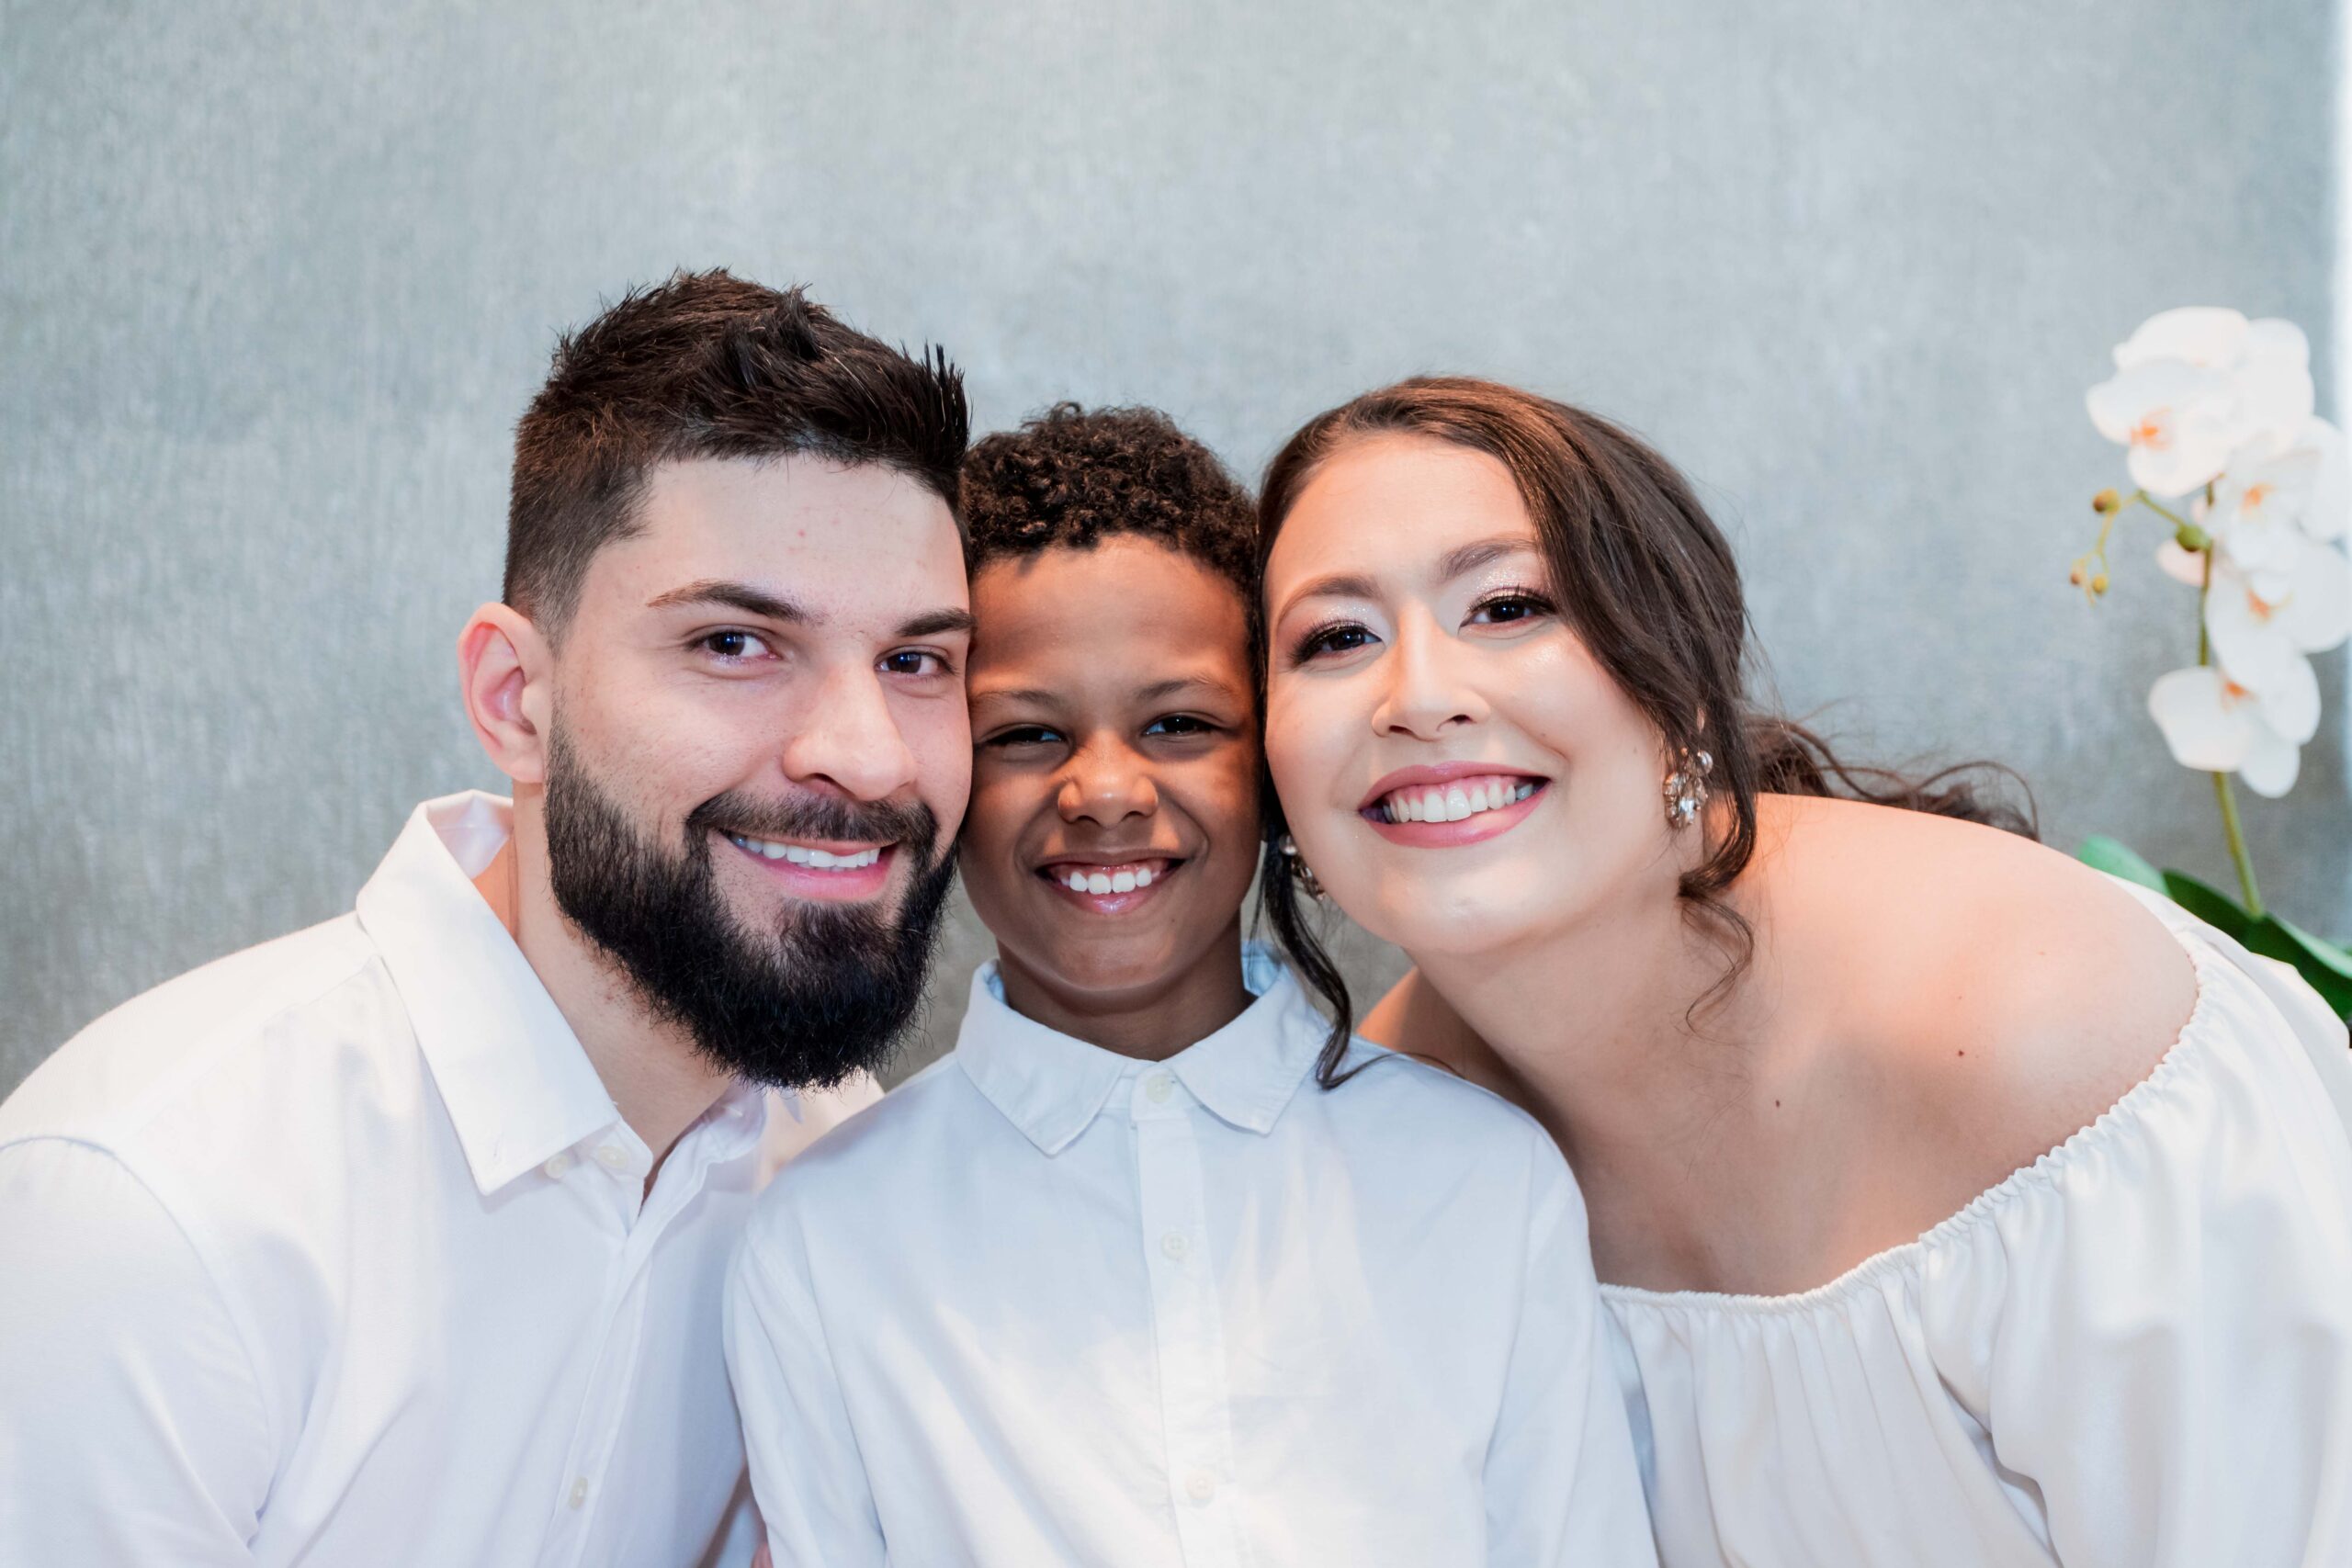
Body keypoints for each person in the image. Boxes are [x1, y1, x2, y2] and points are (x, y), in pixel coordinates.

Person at [1252, 375, 2352, 1567]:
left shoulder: (2034, 1023)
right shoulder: (1389, 1154)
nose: (1418, 698)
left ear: (1678, 681)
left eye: (1508, 605)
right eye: (1335, 637)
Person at [0, 271, 974, 1566]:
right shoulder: (153, 1207)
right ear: (516, 699)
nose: (866, 752)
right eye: (735, 643)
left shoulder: (846, 1176)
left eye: (916, 661)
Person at [723, 404, 1658, 1568]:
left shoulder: (1484, 1179)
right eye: (1024, 736)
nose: (1106, 792)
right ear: (941, 772)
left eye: (1178, 723)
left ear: (1268, 761)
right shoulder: (825, 1241)